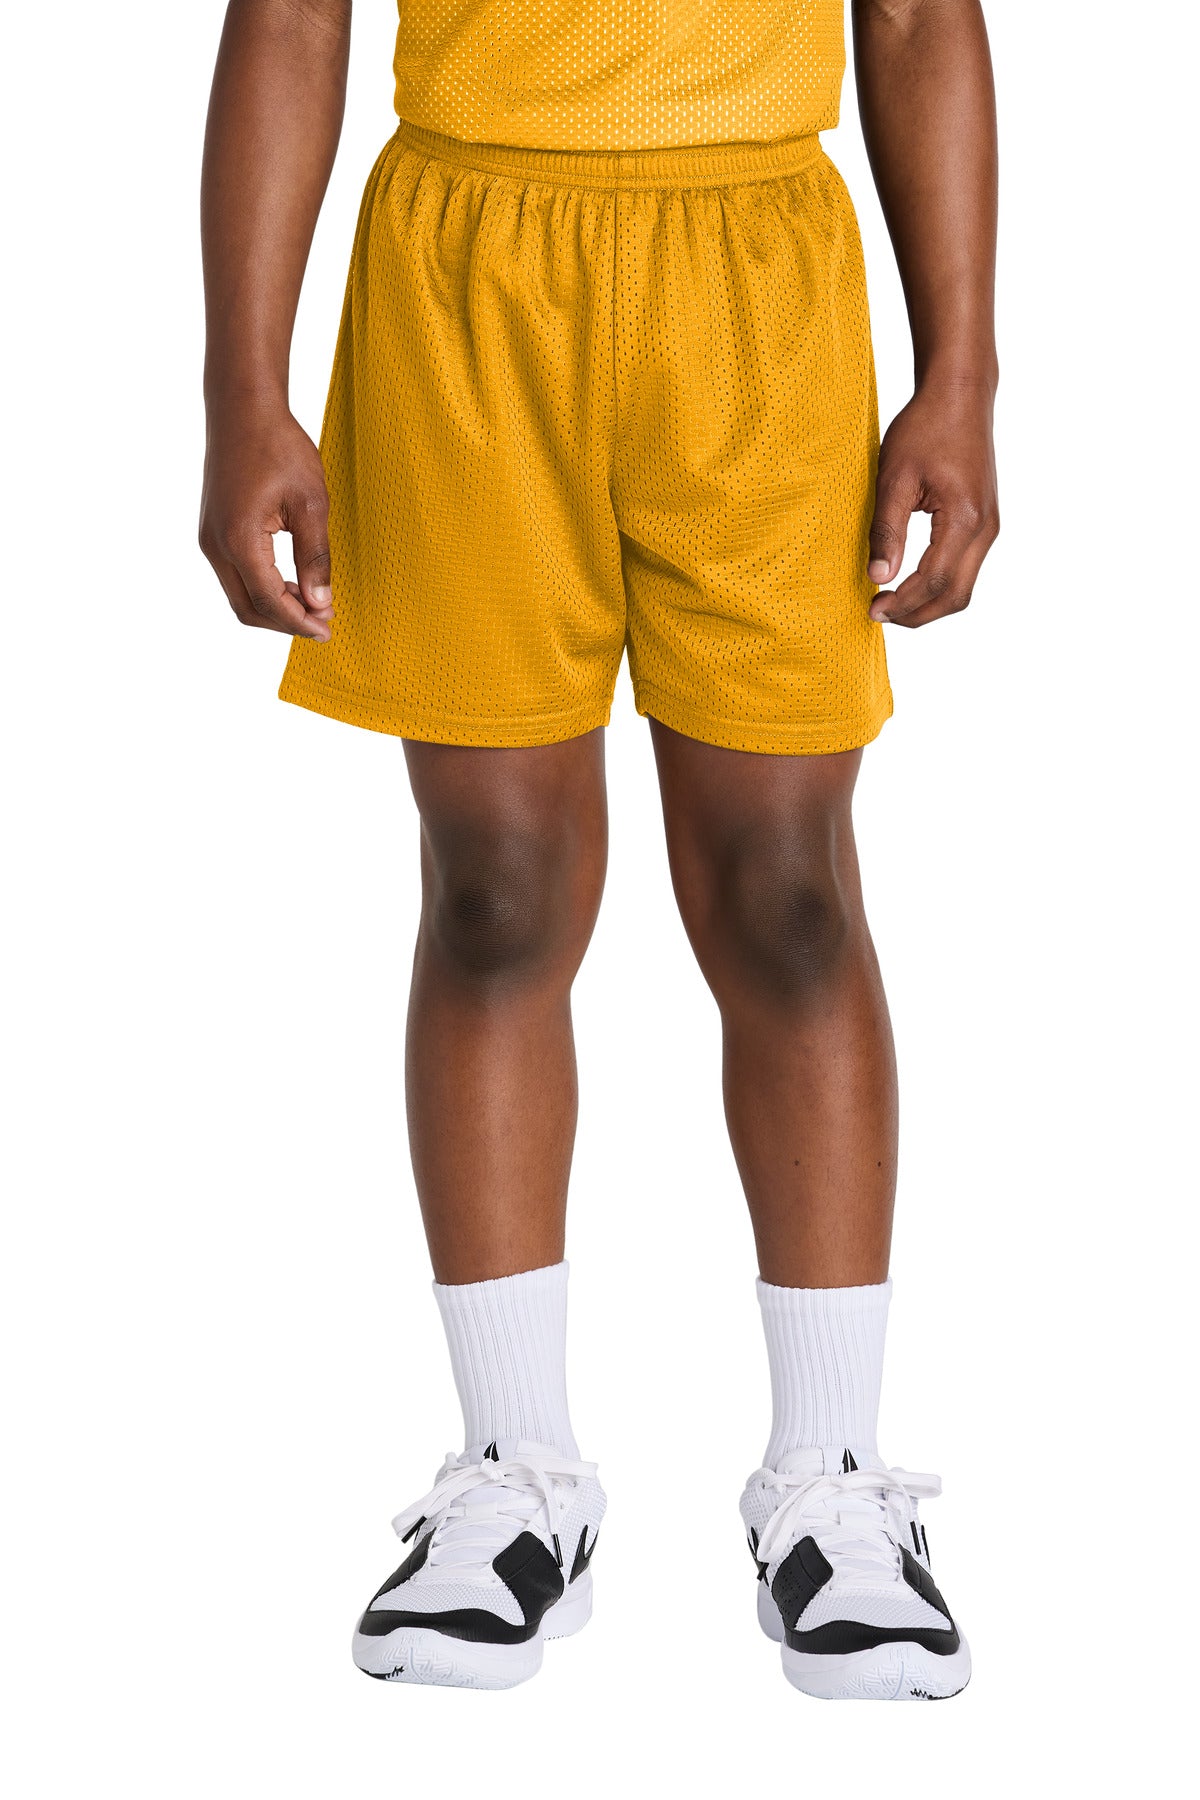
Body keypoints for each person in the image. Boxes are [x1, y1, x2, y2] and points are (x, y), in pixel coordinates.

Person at [199, 0, 998, 1701]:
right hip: (467, 267)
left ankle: (832, 1486)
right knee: (494, 892)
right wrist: (242, 390)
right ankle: (515, 1480)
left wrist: (963, 375)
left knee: (787, 895)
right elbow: (292, 12)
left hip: (756, 274)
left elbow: (922, 14)